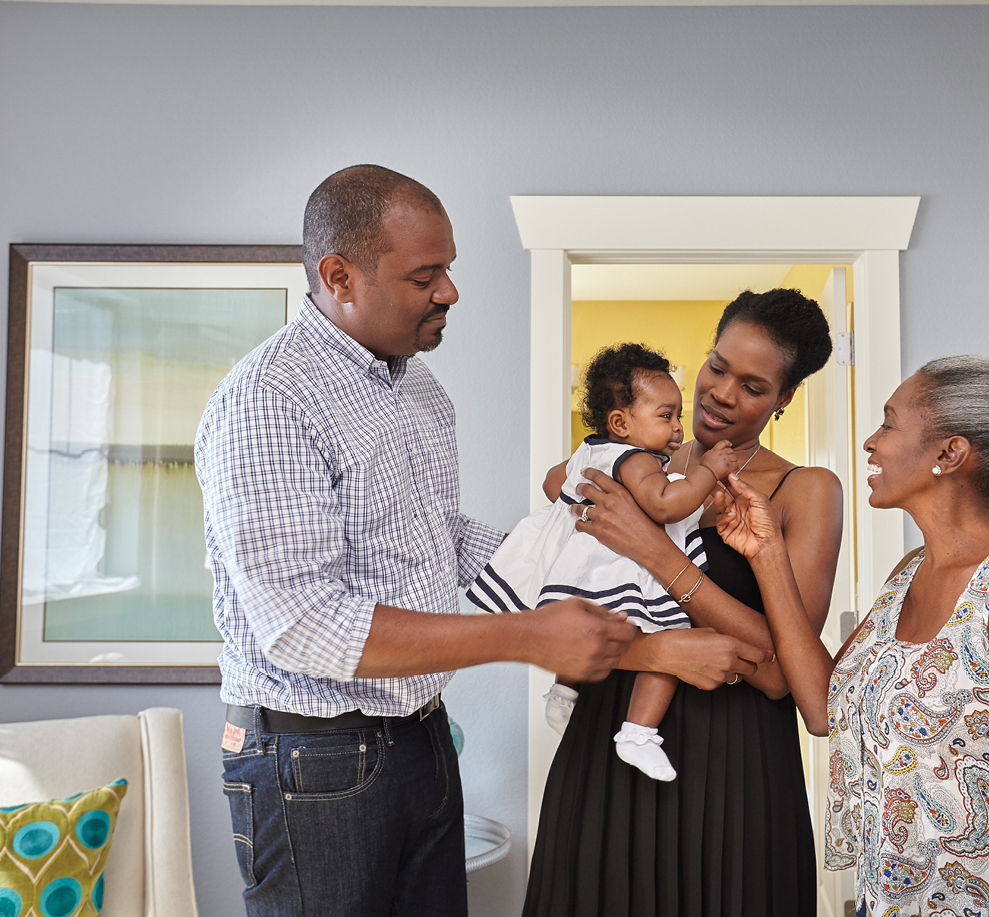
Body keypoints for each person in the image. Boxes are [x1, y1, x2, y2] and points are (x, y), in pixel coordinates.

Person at [194, 164, 643, 917]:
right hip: (315, 760)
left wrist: (586, 561)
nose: (450, 292)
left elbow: (439, 534)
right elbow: (303, 622)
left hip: (424, 737)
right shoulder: (270, 398)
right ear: (340, 276)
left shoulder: (419, 389)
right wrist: (528, 635)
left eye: (449, 270)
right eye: (424, 275)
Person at [712, 356, 989, 917]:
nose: (871, 442)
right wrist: (767, 554)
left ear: (949, 453)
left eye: (890, 423)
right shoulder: (908, 572)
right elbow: (825, 708)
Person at [523, 288, 843, 917]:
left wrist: (657, 553)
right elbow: (555, 607)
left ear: (784, 399)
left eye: (753, 386)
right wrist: (657, 650)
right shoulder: (625, 465)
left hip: (736, 772)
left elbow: (784, 674)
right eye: (718, 366)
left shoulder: (803, 490)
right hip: (609, 746)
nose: (721, 393)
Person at [468, 343, 738, 781]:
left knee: (588, 626)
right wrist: (708, 471)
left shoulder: (591, 452)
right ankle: (639, 731)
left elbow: (553, 482)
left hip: (583, 569)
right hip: (623, 569)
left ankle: (563, 691)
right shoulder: (636, 461)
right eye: (666, 416)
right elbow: (666, 505)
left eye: (677, 415)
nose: (677, 426)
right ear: (621, 423)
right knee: (669, 635)